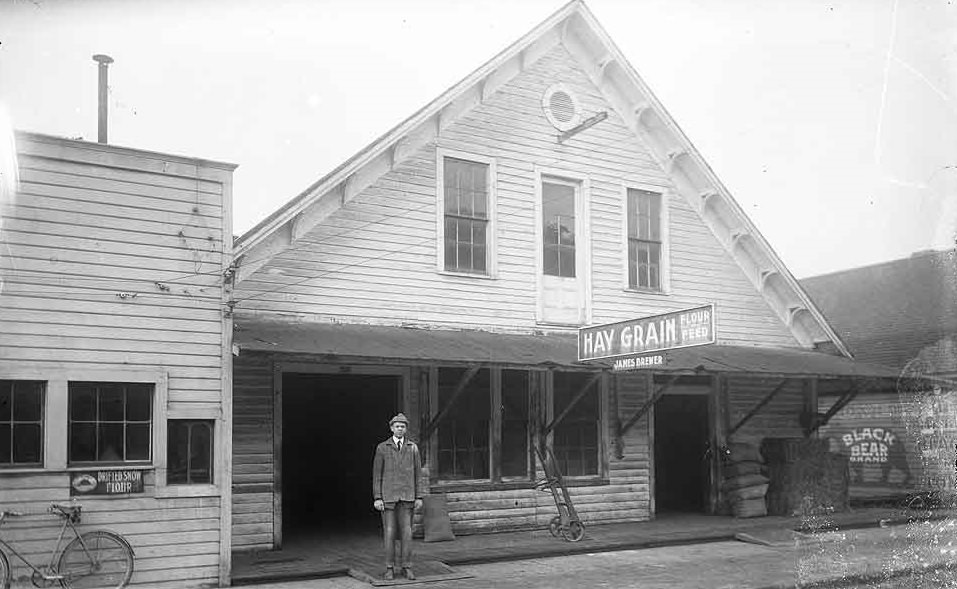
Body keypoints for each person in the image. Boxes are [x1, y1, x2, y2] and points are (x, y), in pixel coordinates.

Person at [372, 413, 425, 581]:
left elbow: (418, 474)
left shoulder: (413, 448)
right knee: (389, 532)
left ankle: (406, 567)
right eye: (397, 426)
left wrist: (419, 496)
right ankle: (389, 568)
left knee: (407, 533)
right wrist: (378, 497)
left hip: (408, 497)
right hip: (388, 497)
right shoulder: (382, 448)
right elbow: (377, 475)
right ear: (391, 428)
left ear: (406, 429)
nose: (400, 429)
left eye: (403, 426)